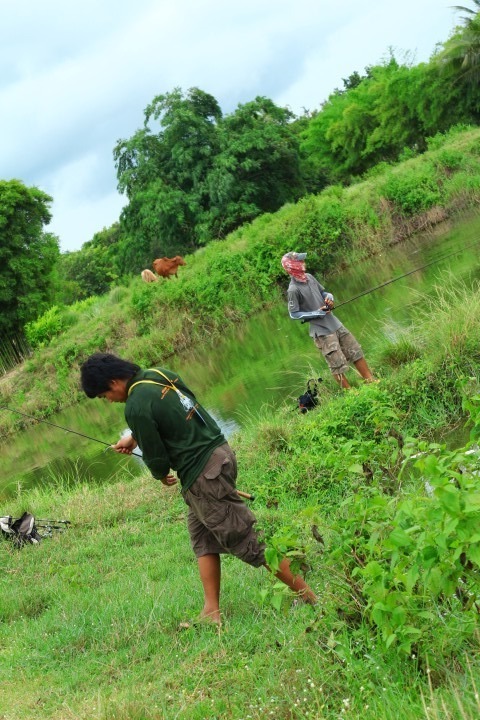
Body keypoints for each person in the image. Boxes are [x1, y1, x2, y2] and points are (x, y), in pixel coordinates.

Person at [80, 353, 317, 626]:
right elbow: (181, 409)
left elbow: (157, 457)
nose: (108, 401)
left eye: (104, 395)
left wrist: (159, 474)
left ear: (113, 382)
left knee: (246, 539)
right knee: (202, 538)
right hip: (220, 453)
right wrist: (135, 437)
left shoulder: (134, 405)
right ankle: (211, 611)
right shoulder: (158, 375)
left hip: (203, 474)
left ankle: (309, 596)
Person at [281, 252, 376, 389]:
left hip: (335, 324)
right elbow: (294, 314)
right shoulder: (293, 289)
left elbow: (323, 293)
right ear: (292, 266)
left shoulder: (309, 277)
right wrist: (316, 313)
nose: (303, 262)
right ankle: (351, 394)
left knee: (355, 351)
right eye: (300, 261)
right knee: (336, 364)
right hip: (322, 332)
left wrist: (329, 297)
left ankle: (370, 380)